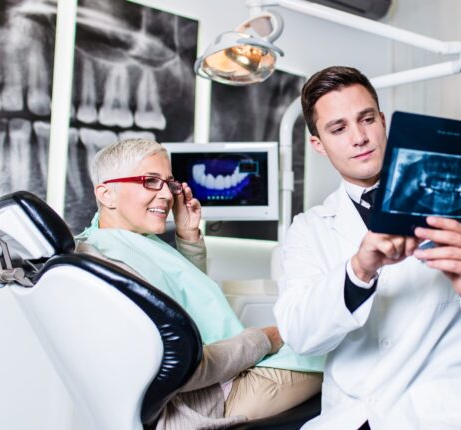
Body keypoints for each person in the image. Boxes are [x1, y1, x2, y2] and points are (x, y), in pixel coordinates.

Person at [273, 66, 461, 429]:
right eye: (338, 128)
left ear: (384, 121)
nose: (359, 137)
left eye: (367, 119)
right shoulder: (309, 229)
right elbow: (299, 333)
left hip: (450, 412)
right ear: (318, 145)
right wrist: (358, 272)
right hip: (358, 416)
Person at [75, 138, 323, 430]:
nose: (167, 195)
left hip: (211, 381)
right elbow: (183, 366)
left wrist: (188, 236)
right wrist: (264, 338)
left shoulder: (121, 241)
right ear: (107, 194)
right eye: (150, 181)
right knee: (344, 350)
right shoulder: (110, 265)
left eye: (168, 183)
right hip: (202, 403)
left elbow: (183, 300)